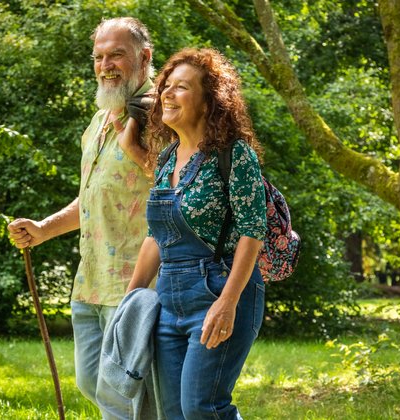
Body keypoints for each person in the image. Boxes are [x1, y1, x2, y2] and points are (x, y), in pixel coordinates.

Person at [7, 17, 156, 417]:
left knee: (127, 396)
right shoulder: (100, 120)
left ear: (144, 58)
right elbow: (93, 198)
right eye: (99, 56)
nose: (105, 65)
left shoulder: (162, 114)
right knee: (92, 382)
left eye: (117, 55)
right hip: (90, 281)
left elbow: (182, 187)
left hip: (136, 285)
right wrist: (42, 230)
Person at [126, 48, 268, 419]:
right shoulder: (168, 159)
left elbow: (253, 231)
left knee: (203, 408)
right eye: (165, 87)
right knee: (174, 413)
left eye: (182, 87)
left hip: (219, 289)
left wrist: (228, 302)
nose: (167, 94)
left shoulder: (234, 154)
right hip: (169, 298)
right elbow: (158, 236)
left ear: (209, 103)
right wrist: (132, 299)